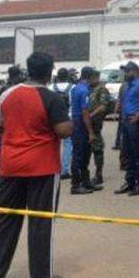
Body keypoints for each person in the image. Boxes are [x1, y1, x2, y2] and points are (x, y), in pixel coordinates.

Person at [0, 51, 72, 278]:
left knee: (4, 220)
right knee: (41, 221)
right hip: (42, 166)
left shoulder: (8, 93)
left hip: (10, 165)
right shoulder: (51, 97)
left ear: (28, 70)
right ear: (49, 71)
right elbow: (63, 130)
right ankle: (41, 276)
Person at [114, 62, 139, 196]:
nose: (125, 74)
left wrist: (138, 115)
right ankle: (129, 182)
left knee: (137, 153)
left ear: (135, 71)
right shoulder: (128, 85)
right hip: (126, 121)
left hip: (134, 122)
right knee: (128, 153)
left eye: (127, 71)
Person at [0, 66, 26, 190]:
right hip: (6, 124)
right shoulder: (9, 89)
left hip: (3, 123)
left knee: (4, 153)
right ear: (18, 75)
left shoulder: (2, 88)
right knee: (2, 154)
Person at [69, 66, 96, 195]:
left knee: (84, 153)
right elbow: (85, 112)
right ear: (90, 77)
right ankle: (76, 184)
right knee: (80, 154)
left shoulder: (75, 88)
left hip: (76, 122)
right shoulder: (84, 90)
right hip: (81, 124)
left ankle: (85, 182)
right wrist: (90, 131)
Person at [87, 69, 111, 188]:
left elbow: (102, 107)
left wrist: (90, 116)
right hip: (88, 123)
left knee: (97, 149)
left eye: (91, 78)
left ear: (96, 77)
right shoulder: (88, 89)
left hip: (95, 123)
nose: (89, 80)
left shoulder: (101, 90)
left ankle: (98, 174)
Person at [51, 68, 74, 179]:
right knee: (68, 144)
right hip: (68, 118)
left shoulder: (51, 88)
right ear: (67, 76)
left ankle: (52, 168)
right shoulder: (72, 88)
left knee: (52, 144)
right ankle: (65, 169)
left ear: (58, 77)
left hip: (52, 119)